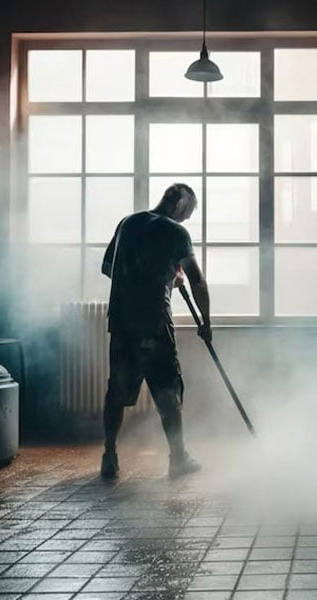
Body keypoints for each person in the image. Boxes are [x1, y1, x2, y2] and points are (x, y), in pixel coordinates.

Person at [99, 183, 211, 480]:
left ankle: (109, 456)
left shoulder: (128, 223)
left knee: (116, 391)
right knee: (168, 391)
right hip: (154, 324)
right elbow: (197, 280)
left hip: (121, 323)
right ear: (181, 206)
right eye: (188, 213)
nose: (186, 219)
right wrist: (206, 322)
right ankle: (178, 458)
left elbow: (108, 267)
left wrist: (153, 275)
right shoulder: (176, 232)